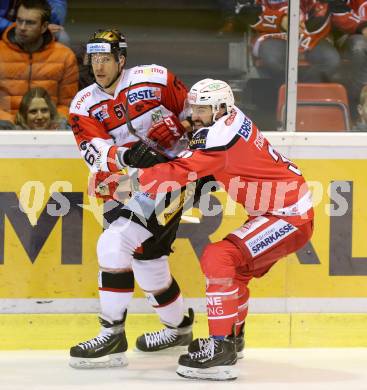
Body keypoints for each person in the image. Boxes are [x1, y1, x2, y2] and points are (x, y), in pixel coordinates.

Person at [135, 79, 314, 380]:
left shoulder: (219, 137)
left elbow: (181, 170)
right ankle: (232, 339)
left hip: (287, 215)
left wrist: (130, 181)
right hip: (284, 209)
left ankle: (221, 350)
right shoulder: (230, 119)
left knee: (219, 258)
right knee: (237, 271)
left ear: (219, 108)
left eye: (202, 109)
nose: (195, 115)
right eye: (194, 107)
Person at [68, 28, 196, 369]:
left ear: (121, 60)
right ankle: (179, 327)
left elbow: (200, 113)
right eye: (94, 59)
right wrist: (128, 156)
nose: (99, 66)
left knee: (113, 244)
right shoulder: (83, 104)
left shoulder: (155, 79)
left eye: (106, 59)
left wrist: (182, 126)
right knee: (147, 261)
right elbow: (93, 153)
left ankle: (112, 334)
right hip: (122, 184)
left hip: (172, 177)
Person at [0, 0, 78, 122]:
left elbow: (68, 104)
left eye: (30, 23)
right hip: (6, 126)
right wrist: (13, 121)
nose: (22, 27)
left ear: (44, 27)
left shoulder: (65, 56)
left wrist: (51, 121)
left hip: (48, 127)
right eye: (19, 20)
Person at [0, 0, 70, 44]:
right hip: (4, 28)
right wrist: (15, 27)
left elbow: (57, 4)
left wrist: (43, 23)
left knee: (61, 37)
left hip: (37, 24)